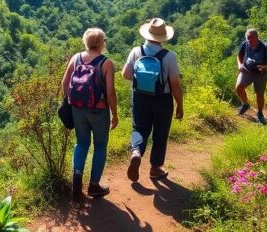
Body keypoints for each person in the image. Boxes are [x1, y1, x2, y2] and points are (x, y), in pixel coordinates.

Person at [122, 18, 183, 182]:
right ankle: (155, 168)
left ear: (147, 34)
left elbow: (126, 75)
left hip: (140, 97)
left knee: (139, 128)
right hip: (162, 100)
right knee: (160, 133)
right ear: (163, 37)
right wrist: (179, 105)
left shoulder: (136, 51)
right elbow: (175, 84)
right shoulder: (169, 56)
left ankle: (136, 152)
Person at [61, 27, 118, 199]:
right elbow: (110, 92)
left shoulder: (76, 58)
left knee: (81, 143)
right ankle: (94, 186)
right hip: (99, 110)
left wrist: (71, 102)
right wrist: (115, 114)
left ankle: (77, 181)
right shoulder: (106, 63)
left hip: (77, 109)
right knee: (100, 146)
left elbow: (65, 82)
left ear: (85, 42)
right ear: (102, 43)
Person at [235, 28, 267, 124]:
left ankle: (260, 113)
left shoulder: (265, 47)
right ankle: (245, 104)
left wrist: (264, 67)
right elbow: (239, 55)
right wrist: (240, 65)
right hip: (246, 70)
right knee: (239, 87)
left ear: (257, 37)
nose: (249, 41)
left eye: (251, 38)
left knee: (259, 94)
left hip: (260, 74)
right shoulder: (245, 44)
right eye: (248, 38)